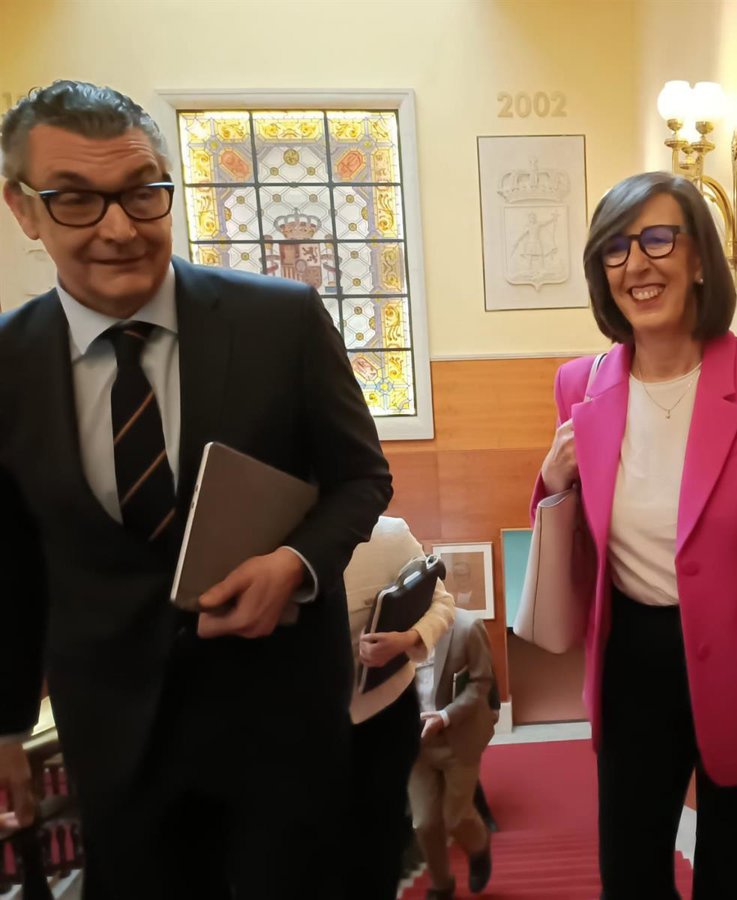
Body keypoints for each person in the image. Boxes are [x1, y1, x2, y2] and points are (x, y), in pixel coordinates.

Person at [0, 81, 392, 900]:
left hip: (279, 723)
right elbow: (9, 562)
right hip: (115, 739)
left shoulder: (281, 321)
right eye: (76, 199)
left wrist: (294, 564)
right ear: (23, 208)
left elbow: (361, 477)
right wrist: (4, 723)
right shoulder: (8, 362)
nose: (119, 228)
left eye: (142, 192)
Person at [531, 172, 737, 899]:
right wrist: (551, 481)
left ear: (698, 261)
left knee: (736, 885)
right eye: (616, 248)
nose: (637, 263)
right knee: (629, 878)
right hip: (632, 664)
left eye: (659, 239)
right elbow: (578, 537)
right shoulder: (578, 386)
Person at [344, 516, 456, 900]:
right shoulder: (267, 539)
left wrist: (406, 639)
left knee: (379, 843)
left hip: (384, 711)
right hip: (299, 721)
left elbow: (442, 602)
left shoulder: (388, 533)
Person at [408, 610, 496, 899]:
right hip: (416, 742)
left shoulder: (467, 627)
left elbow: (482, 683)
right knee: (424, 823)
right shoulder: (393, 628)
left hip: (459, 737)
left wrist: (445, 717)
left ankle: (479, 846)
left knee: (456, 817)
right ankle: (441, 884)